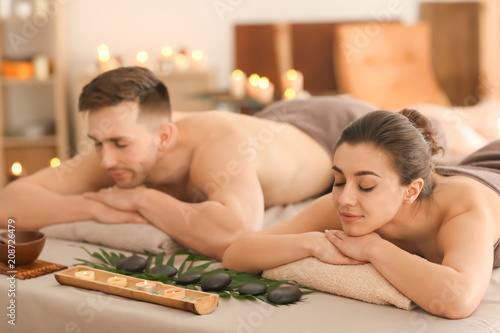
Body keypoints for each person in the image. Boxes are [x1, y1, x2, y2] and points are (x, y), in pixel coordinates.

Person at [0, 66, 377, 260]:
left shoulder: (214, 144)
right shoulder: (120, 144)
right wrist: (92, 206)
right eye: (97, 143)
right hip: (273, 120)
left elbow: (236, 235)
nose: (105, 158)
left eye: (118, 143)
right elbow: (9, 204)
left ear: (164, 136)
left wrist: (140, 199)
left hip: (332, 128)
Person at [223, 109, 500, 319]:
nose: (345, 199)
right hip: (462, 168)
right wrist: (313, 243)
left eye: (366, 186)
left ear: (411, 191)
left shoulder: (465, 209)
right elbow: (237, 253)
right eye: (339, 180)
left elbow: (458, 299)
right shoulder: (344, 204)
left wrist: (374, 248)